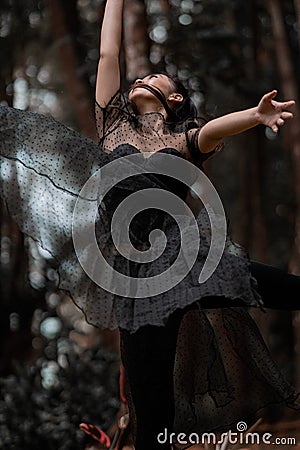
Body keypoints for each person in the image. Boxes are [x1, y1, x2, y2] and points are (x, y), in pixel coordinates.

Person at [0, 1, 299, 450]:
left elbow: (215, 128)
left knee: (273, 285)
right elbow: (107, 55)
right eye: (140, 78)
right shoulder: (114, 126)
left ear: (174, 98)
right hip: (134, 281)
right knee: (151, 403)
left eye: (155, 78)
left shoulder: (184, 138)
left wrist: (255, 117)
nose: (141, 79)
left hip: (183, 258)